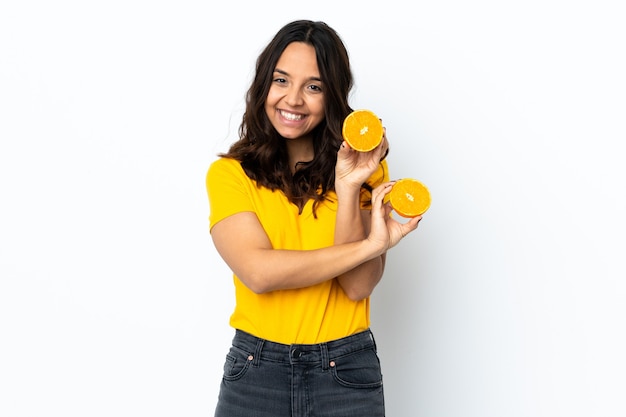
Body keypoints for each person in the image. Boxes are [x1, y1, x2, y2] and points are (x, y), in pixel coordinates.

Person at [206, 19, 422, 417]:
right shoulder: (230, 174)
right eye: (281, 80)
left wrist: (349, 186)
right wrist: (369, 246)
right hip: (255, 370)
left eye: (314, 86)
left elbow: (357, 286)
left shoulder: (365, 170)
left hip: (345, 371)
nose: (293, 100)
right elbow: (259, 273)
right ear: (263, 85)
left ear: (332, 95)